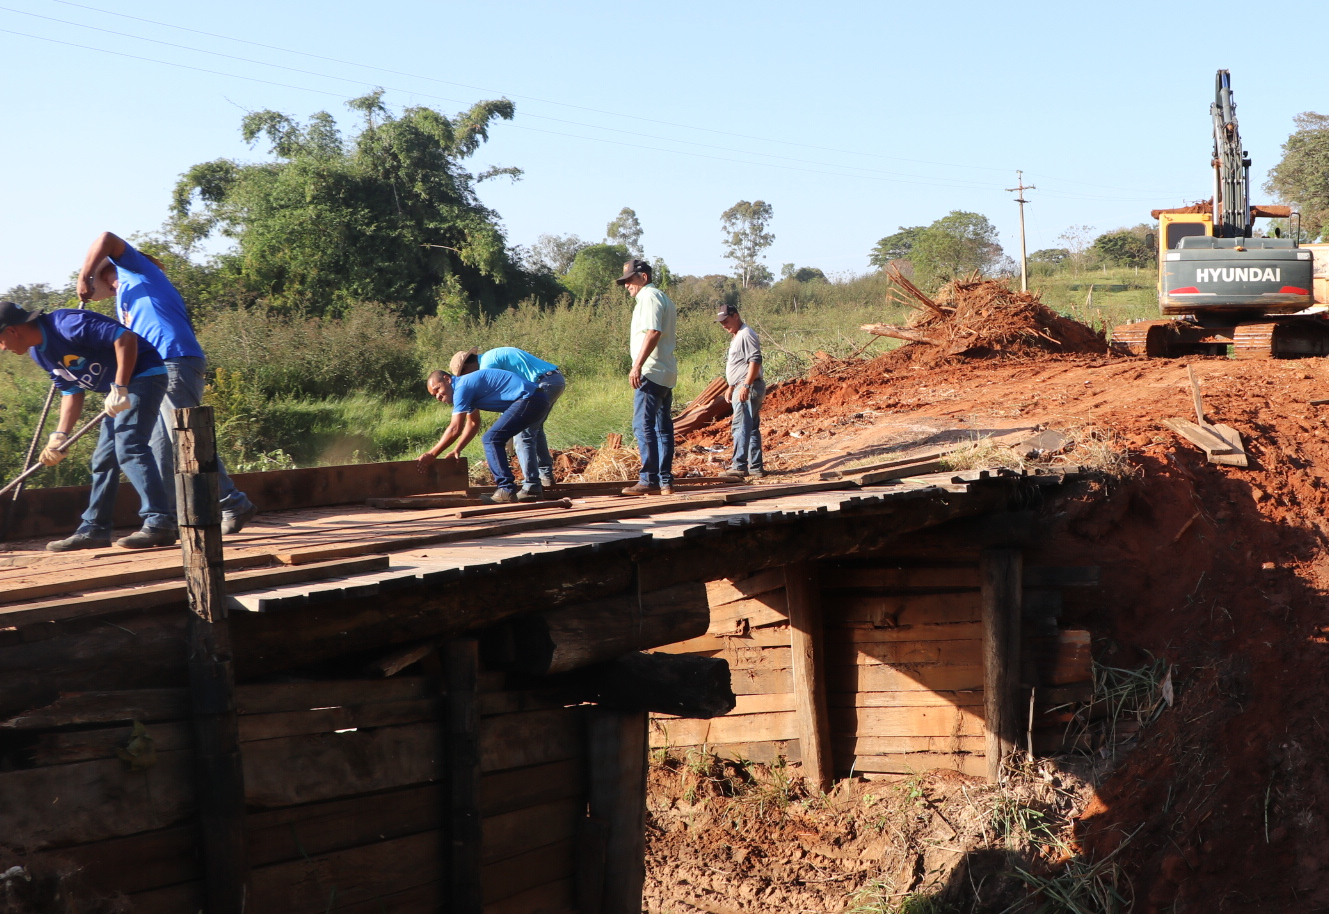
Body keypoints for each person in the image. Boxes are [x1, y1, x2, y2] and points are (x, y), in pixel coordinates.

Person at [77, 232, 258, 535]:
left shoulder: (137, 271)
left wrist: (84, 275)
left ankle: (233, 502)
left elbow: (107, 237)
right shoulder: (124, 300)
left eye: (102, 277)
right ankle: (167, 518)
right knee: (158, 445)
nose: (105, 285)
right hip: (153, 371)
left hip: (174, 359)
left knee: (185, 435)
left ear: (108, 269)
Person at [0, 302, 175, 551]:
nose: (2, 348)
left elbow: (125, 338)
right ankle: (95, 529)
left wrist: (120, 386)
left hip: (144, 375)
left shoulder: (66, 324)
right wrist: (59, 436)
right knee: (103, 458)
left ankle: (160, 522)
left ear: (12, 331)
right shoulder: (40, 353)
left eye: (0, 341)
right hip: (119, 390)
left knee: (130, 445)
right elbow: (71, 392)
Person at [417, 368, 551, 503]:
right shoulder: (465, 390)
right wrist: (457, 449)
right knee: (496, 438)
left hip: (530, 399)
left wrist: (432, 454)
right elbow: (473, 423)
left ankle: (506, 489)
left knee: (491, 439)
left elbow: (455, 428)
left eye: (437, 389)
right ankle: (532, 489)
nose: (438, 396)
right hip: (537, 398)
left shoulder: (462, 387)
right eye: (434, 395)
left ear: (447, 379)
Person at [450, 347, 566, 499]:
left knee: (524, 433)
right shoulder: (491, 357)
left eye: (464, 375)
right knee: (535, 430)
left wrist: (507, 432)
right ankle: (545, 477)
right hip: (553, 380)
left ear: (467, 368)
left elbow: (505, 398)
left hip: (543, 383)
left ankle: (532, 486)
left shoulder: (486, 365)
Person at [616, 259, 677, 496]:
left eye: (630, 280)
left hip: (651, 371)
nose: (626, 285)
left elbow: (653, 332)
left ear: (644, 277)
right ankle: (665, 482)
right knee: (662, 428)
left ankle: (649, 479)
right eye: (625, 281)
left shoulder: (649, 297)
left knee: (643, 425)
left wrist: (637, 365)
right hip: (664, 371)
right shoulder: (661, 297)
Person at [714, 303, 766, 480]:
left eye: (726, 320)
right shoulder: (738, 335)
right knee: (751, 428)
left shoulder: (746, 334)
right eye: (721, 322)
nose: (724, 325)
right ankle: (756, 468)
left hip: (748, 387)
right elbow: (740, 364)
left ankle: (739, 466)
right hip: (743, 385)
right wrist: (731, 385)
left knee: (740, 426)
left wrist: (745, 385)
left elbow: (755, 360)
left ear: (736, 316)